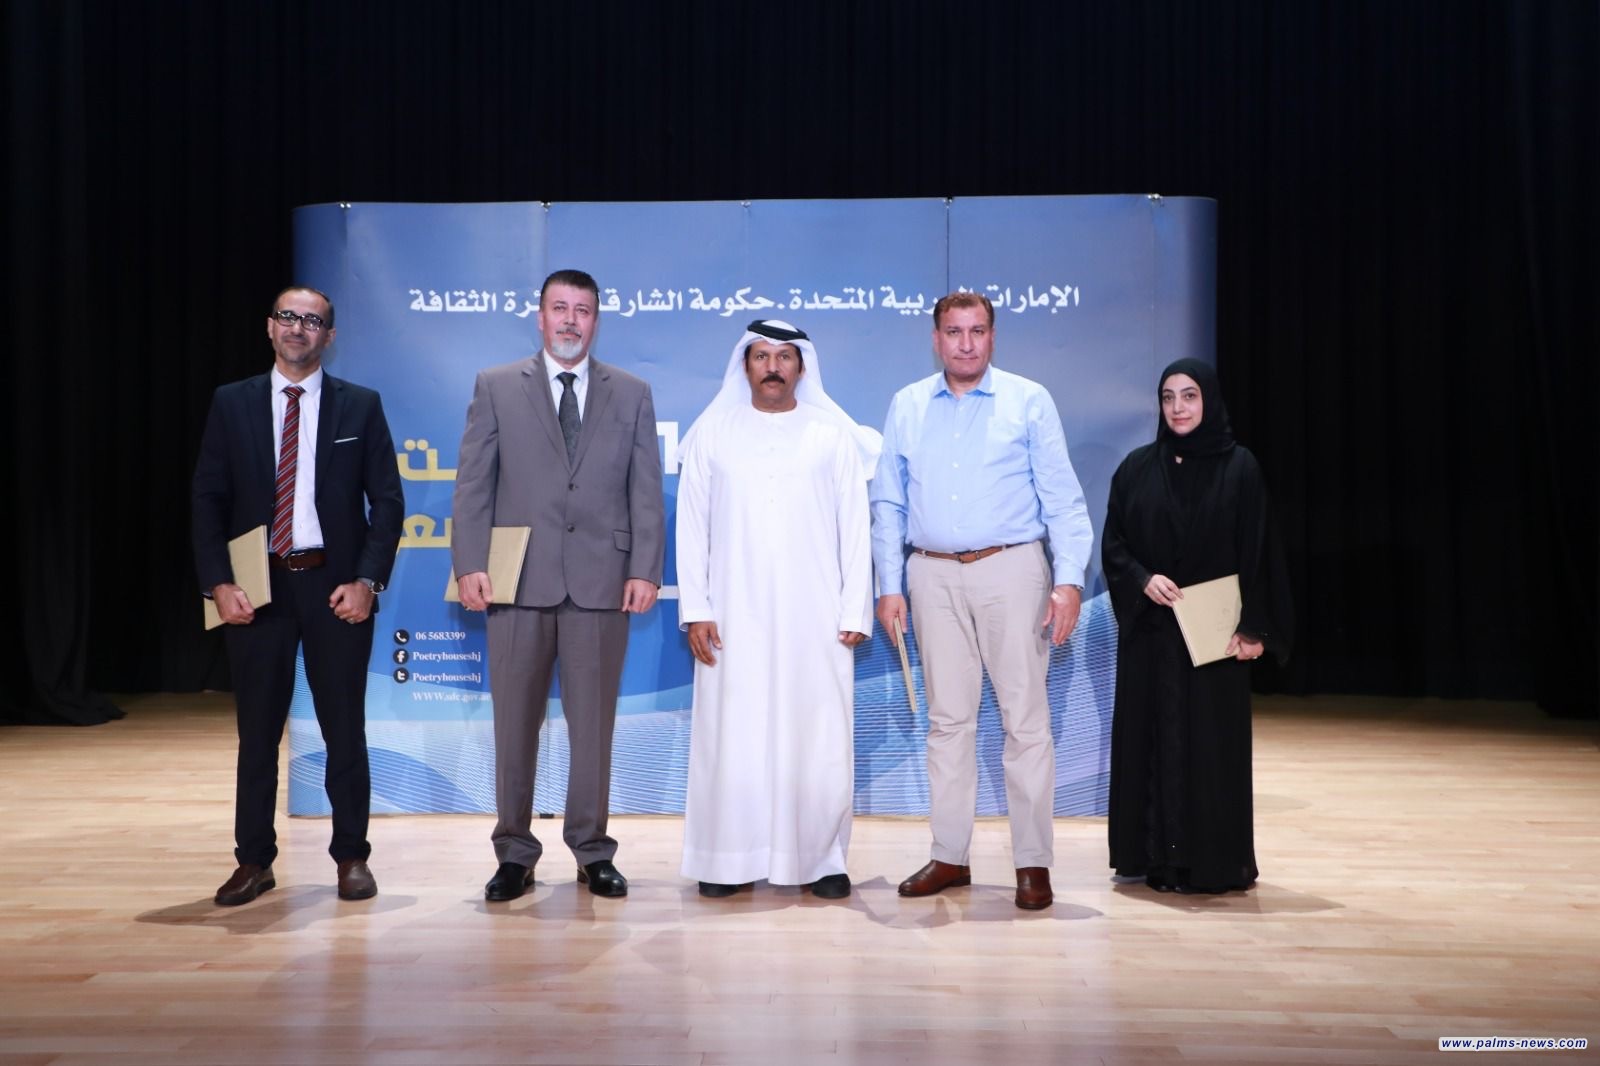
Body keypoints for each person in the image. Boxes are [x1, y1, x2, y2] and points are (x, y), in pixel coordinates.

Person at [871, 291, 1093, 910]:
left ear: (993, 337)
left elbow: (1063, 499)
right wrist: (889, 584)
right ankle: (950, 855)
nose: (965, 344)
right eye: (953, 332)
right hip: (931, 574)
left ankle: (1033, 863)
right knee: (947, 723)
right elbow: (888, 502)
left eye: (976, 331)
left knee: (1026, 723)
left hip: (1012, 570)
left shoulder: (1028, 400)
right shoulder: (908, 405)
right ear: (935, 339)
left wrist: (1069, 581)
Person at [452, 268, 665, 903]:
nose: (571, 320)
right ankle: (514, 854)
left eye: (583, 310)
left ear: (596, 320)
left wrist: (644, 568)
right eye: (560, 308)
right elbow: (473, 484)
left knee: (593, 729)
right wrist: (470, 563)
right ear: (540, 316)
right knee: (513, 727)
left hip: (602, 583)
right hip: (516, 582)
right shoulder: (496, 386)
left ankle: (593, 851)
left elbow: (645, 491)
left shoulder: (631, 393)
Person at [192, 285, 404, 906]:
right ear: (270, 326)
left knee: (344, 730)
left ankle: (351, 857)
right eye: (287, 316)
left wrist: (367, 582)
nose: (297, 328)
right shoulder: (232, 403)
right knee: (257, 734)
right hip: (256, 590)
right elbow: (207, 499)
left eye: (312, 321)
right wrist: (218, 583)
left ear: (328, 337)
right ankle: (253, 861)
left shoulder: (360, 406)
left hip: (335, 587)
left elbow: (388, 502)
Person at [676, 320, 878, 900]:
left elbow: (854, 528)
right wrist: (697, 609)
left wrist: (854, 610)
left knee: (816, 736)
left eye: (784, 357)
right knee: (731, 735)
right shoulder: (712, 434)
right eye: (761, 356)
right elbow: (691, 530)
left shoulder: (831, 436)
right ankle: (727, 859)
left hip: (816, 618)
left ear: (801, 367)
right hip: (730, 616)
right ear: (745, 366)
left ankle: (820, 859)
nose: (772, 367)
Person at [1101, 358, 1292, 894]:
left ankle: (1211, 862)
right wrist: (1141, 579)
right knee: (1152, 743)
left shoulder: (1240, 468)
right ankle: (1154, 859)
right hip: (1152, 636)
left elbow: (1259, 550)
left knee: (1209, 750)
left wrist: (1254, 629)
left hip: (1214, 642)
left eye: (1189, 396)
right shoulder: (1137, 468)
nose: (1178, 407)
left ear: (1208, 399)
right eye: (1168, 397)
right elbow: (1114, 544)